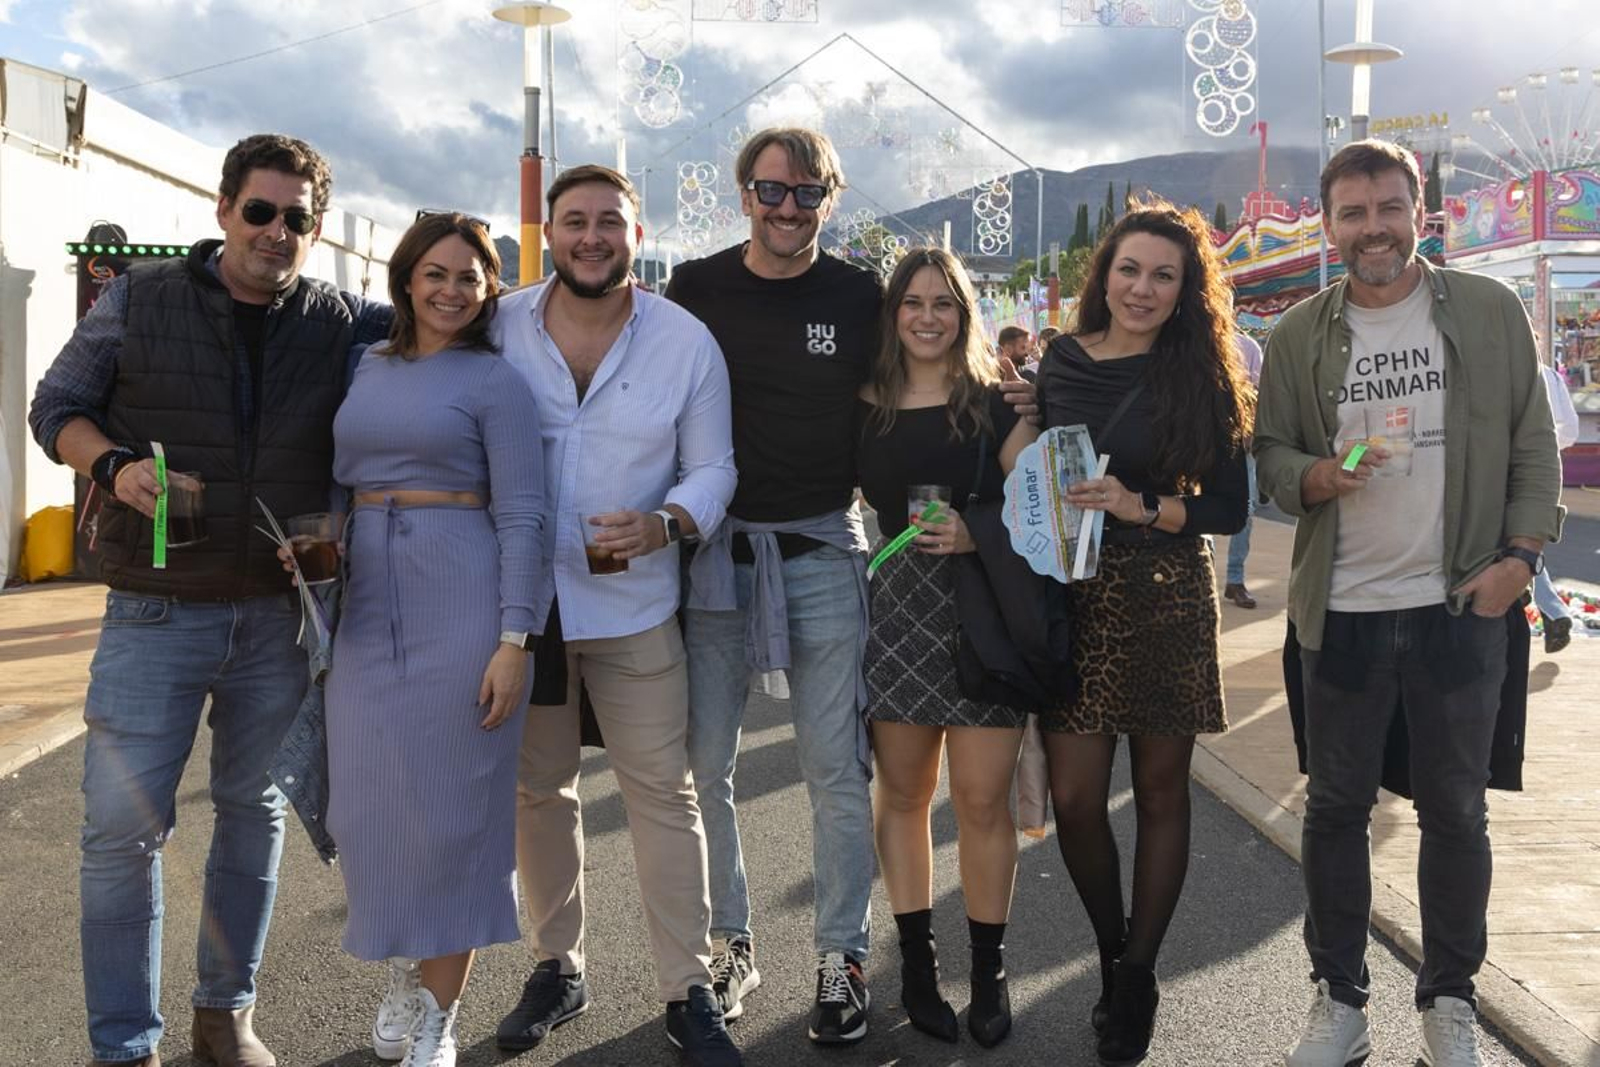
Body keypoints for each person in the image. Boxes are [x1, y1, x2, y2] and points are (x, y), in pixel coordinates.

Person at [665, 126, 1037, 1044]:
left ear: (829, 198)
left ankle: (841, 956)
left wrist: (1027, 395)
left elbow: (929, 368)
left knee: (838, 771)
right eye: (770, 190)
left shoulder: (857, 295)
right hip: (718, 551)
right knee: (704, 767)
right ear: (743, 192)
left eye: (805, 193)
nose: (787, 207)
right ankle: (730, 942)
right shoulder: (695, 289)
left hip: (827, 550)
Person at [27, 133, 391, 1067]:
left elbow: (450, 310)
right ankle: (125, 1045)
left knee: (252, 814)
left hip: (279, 615)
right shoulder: (140, 299)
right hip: (155, 611)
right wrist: (109, 465)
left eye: (297, 219)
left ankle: (223, 1014)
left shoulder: (343, 317)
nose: (277, 232)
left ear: (315, 230)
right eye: (261, 211)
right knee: (120, 833)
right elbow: (55, 404)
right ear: (224, 209)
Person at [1255, 140, 1562, 1067]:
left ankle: (1450, 1000)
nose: (1372, 228)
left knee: (1457, 812)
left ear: (1419, 210)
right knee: (1335, 810)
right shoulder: (1300, 333)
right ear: (1330, 224)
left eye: (1389, 207)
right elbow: (1269, 458)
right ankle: (1340, 1000)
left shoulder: (1487, 310)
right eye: (1353, 213)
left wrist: (1520, 558)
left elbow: (1530, 443)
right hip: (1340, 612)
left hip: (1459, 605)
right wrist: (1314, 473)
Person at [491, 165, 743, 1067]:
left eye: (610, 222)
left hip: (635, 602)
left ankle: (689, 987)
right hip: (527, 605)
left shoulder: (685, 341)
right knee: (539, 792)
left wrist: (666, 521)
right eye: (574, 221)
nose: (591, 237)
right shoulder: (500, 324)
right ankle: (557, 966)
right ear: (550, 232)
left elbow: (714, 467)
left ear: (637, 236)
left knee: (662, 796)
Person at [1003, 199, 1252, 1066]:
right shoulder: (1064, 361)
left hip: (1167, 592)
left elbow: (1229, 504)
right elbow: (1037, 469)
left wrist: (1143, 505)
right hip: (1078, 596)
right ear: (1102, 275)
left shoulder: (1201, 373)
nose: (1142, 288)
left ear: (1185, 291)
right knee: (1075, 797)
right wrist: (1022, 420)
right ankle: (1114, 949)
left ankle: (1136, 974)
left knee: (1159, 793)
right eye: (1129, 270)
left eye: (1163, 276)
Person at [314, 212, 545, 1067]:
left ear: (490, 292)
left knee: (456, 811)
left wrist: (516, 636)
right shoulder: (366, 366)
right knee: (371, 810)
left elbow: (524, 512)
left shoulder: (497, 382)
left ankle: (440, 1017)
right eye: (436, 273)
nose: (452, 290)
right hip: (367, 599)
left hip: (465, 598)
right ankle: (409, 972)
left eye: (472, 277)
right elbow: (338, 482)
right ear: (406, 278)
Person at [857, 248, 1037, 1048]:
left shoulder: (992, 401)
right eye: (912, 301)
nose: (927, 316)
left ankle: (990, 969)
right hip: (897, 610)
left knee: (979, 801)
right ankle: (920, 969)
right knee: (901, 795)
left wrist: (980, 530)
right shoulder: (862, 402)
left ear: (964, 314)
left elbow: (1038, 505)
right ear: (893, 312)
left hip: (979, 610)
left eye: (944, 303)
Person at [1534, 360, 1580, 653]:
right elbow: (1570, 430)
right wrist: (1548, 446)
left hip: (1513, 468)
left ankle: (1551, 611)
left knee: (1516, 544)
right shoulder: (1550, 374)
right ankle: (1552, 611)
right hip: (1548, 467)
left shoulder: (1505, 369)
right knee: (1527, 541)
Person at [1224, 330, 1265, 609]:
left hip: (1240, 441)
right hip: (1194, 439)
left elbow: (1259, 393)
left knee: (1245, 511)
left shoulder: (1248, 347)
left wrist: (1252, 431)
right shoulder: (1188, 338)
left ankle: (1235, 579)